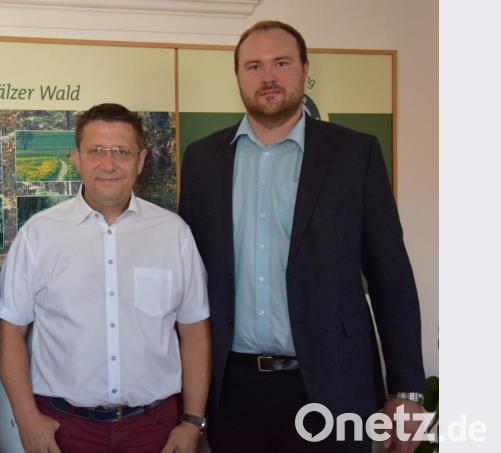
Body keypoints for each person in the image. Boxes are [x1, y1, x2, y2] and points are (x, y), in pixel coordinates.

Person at [179, 21, 426, 453]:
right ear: (237, 76)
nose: (268, 76)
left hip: (334, 383)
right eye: (253, 65)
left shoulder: (355, 153)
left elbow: (391, 276)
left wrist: (407, 393)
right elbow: (186, 282)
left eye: (281, 63)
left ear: (304, 69)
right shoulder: (202, 160)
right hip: (232, 391)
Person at [0, 103, 211, 453]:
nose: (108, 164)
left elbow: (194, 331)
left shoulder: (174, 234)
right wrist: (26, 417)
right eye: (95, 151)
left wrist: (192, 421)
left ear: (140, 160)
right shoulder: (39, 234)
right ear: (76, 158)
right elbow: (10, 331)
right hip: (65, 430)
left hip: (155, 429)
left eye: (121, 152)